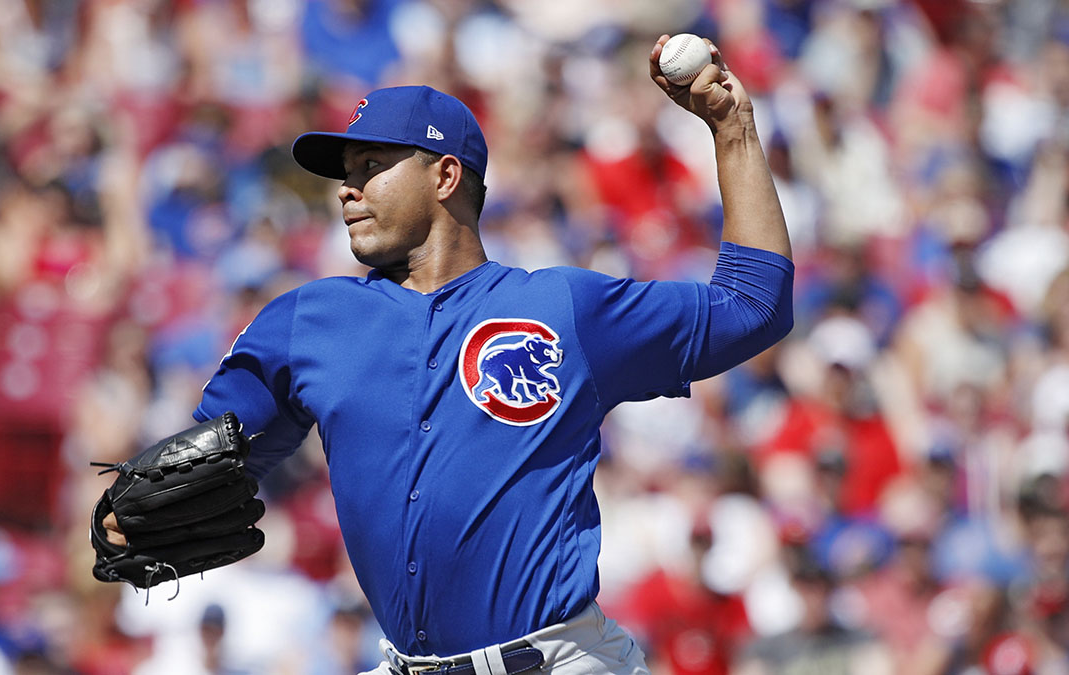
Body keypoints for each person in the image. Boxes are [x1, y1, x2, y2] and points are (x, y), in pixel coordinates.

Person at [104, 35, 793, 675]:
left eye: (371, 165)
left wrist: (732, 133)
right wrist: (132, 517)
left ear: (444, 176)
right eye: (346, 170)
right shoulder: (306, 322)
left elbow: (752, 308)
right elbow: (211, 461)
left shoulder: (565, 309)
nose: (348, 187)